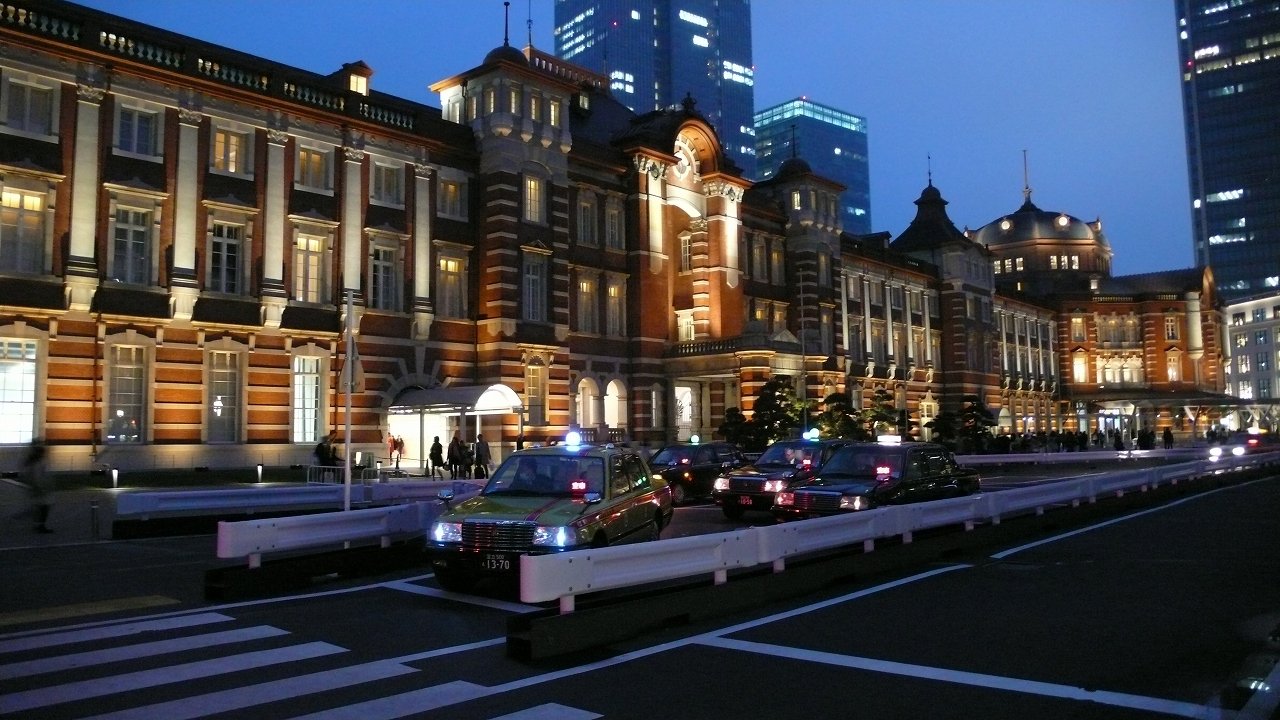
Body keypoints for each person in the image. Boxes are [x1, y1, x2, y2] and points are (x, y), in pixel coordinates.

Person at [23, 438, 53, 533]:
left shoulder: (34, 460)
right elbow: (37, 476)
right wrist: (40, 487)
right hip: (39, 488)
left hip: (37, 487)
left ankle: (38, 524)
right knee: (44, 506)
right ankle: (40, 525)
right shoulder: (38, 461)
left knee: (40, 506)